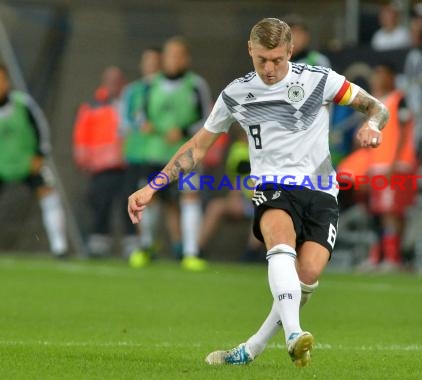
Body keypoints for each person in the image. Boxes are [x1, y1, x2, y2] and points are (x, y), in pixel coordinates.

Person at [127, 18, 388, 367]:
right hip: (272, 187)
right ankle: (295, 334)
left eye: (277, 60)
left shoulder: (319, 80)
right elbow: (197, 148)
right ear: (250, 50)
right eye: (262, 59)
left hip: (322, 191)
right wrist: (152, 187)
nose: (269, 68)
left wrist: (372, 124)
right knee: (279, 241)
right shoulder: (235, 94)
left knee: (306, 277)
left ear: (290, 51)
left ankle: (252, 348)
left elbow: (377, 107)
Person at [140, 36, 212, 270]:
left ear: (186, 58)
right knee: (150, 201)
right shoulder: (151, 85)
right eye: (170, 54)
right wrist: (146, 124)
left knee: (189, 197)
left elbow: (207, 120)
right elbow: (141, 114)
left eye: (179, 55)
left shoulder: (196, 85)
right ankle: (146, 246)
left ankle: (191, 253)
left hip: (187, 156)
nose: (174, 59)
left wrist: (183, 130)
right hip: (155, 153)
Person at [339, 64, 418, 271]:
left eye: (380, 74)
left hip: (397, 166)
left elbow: (403, 131)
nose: (376, 79)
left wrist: (394, 163)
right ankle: (378, 256)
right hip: (377, 167)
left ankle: (393, 258)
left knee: (392, 212)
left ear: (392, 77)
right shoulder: (376, 104)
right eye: (375, 75)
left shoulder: (400, 100)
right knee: (378, 212)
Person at [0, 63, 67, 257]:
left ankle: (59, 247)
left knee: (48, 193)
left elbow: (41, 129)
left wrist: (40, 154)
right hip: (2, 165)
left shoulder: (23, 103)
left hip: (28, 162)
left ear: (8, 81)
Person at [73, 66, 136, 257]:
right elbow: (81, 133)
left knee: (131, 204)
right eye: (109, 81)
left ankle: (132, 243)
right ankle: (99, 243)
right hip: (102, 166)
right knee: (100, 204)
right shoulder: (93, 105)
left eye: (116, 81)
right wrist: (82, 157)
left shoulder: (131, 103)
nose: (113, 85)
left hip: (128, 163)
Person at [120, 47, 162, 264]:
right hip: (137, 154)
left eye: (155, 61)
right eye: (147, 61)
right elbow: (123, 122)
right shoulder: (132, 91)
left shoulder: (166, 88)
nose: (151, 65)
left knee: (166, 202)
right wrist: (139, 124)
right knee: (139, 199)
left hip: (161, 153)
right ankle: (144, 243)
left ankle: (181, 248)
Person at [197, 126, 263, 261]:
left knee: (262, 208)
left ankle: (251, 253)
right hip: (244, 199)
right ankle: (197, 251)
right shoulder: (238, 150)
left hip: (262, 198)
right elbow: (238, 178)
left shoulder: (264, 150)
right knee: (215, 206)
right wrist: (235, 197)